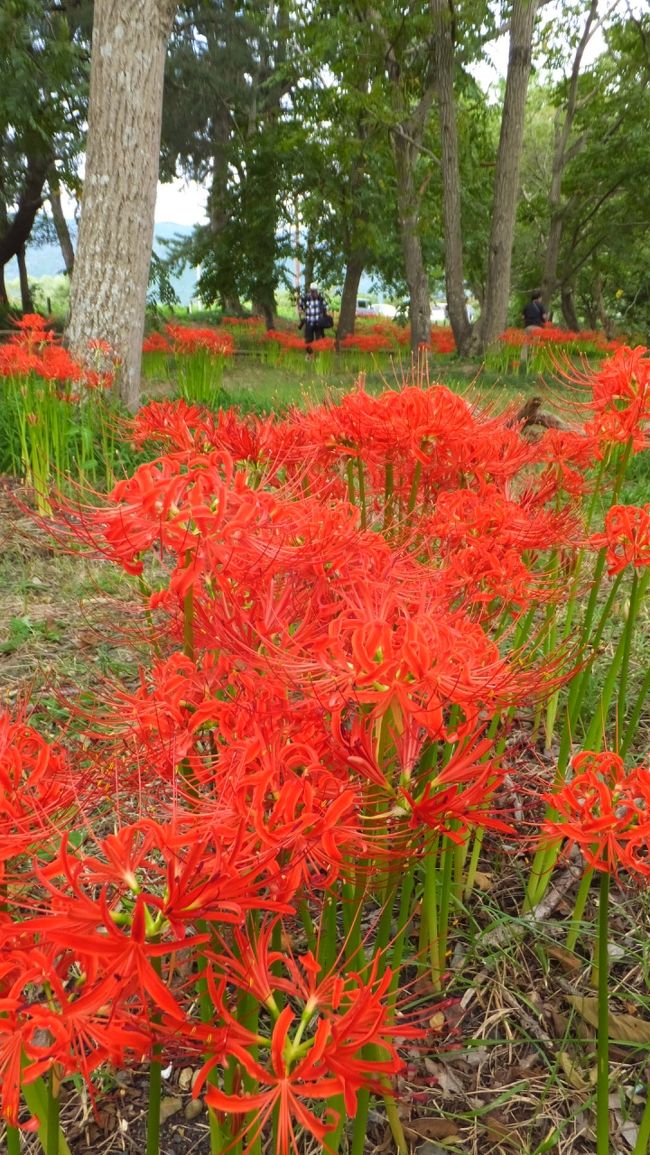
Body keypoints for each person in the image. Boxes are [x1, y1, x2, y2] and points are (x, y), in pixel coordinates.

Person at [520, 291, 548, 374]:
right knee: (535, 346)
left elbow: (522, 317)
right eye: (541, 298)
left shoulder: (527, 306)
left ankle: (523, 362)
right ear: (538, 297)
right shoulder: (540, 306)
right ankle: (532, 363)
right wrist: (547, 317)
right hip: (537, 328)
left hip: (528, 327)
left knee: (525, 345)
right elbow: (544, 317)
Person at [298, 282, 328, 355]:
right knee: (308, 340)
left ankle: (319, 355)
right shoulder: (305, 298)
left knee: (319, 340)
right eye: (312, 291)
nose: (313, 292)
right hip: (309, 322)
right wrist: (302, 311)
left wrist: (324, 315)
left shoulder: (321, 298)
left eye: (315, 291)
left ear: (317, 290)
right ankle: (310, 354)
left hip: (319, 323)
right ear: (310, 290)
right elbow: (300, 308)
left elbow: (326, 307)